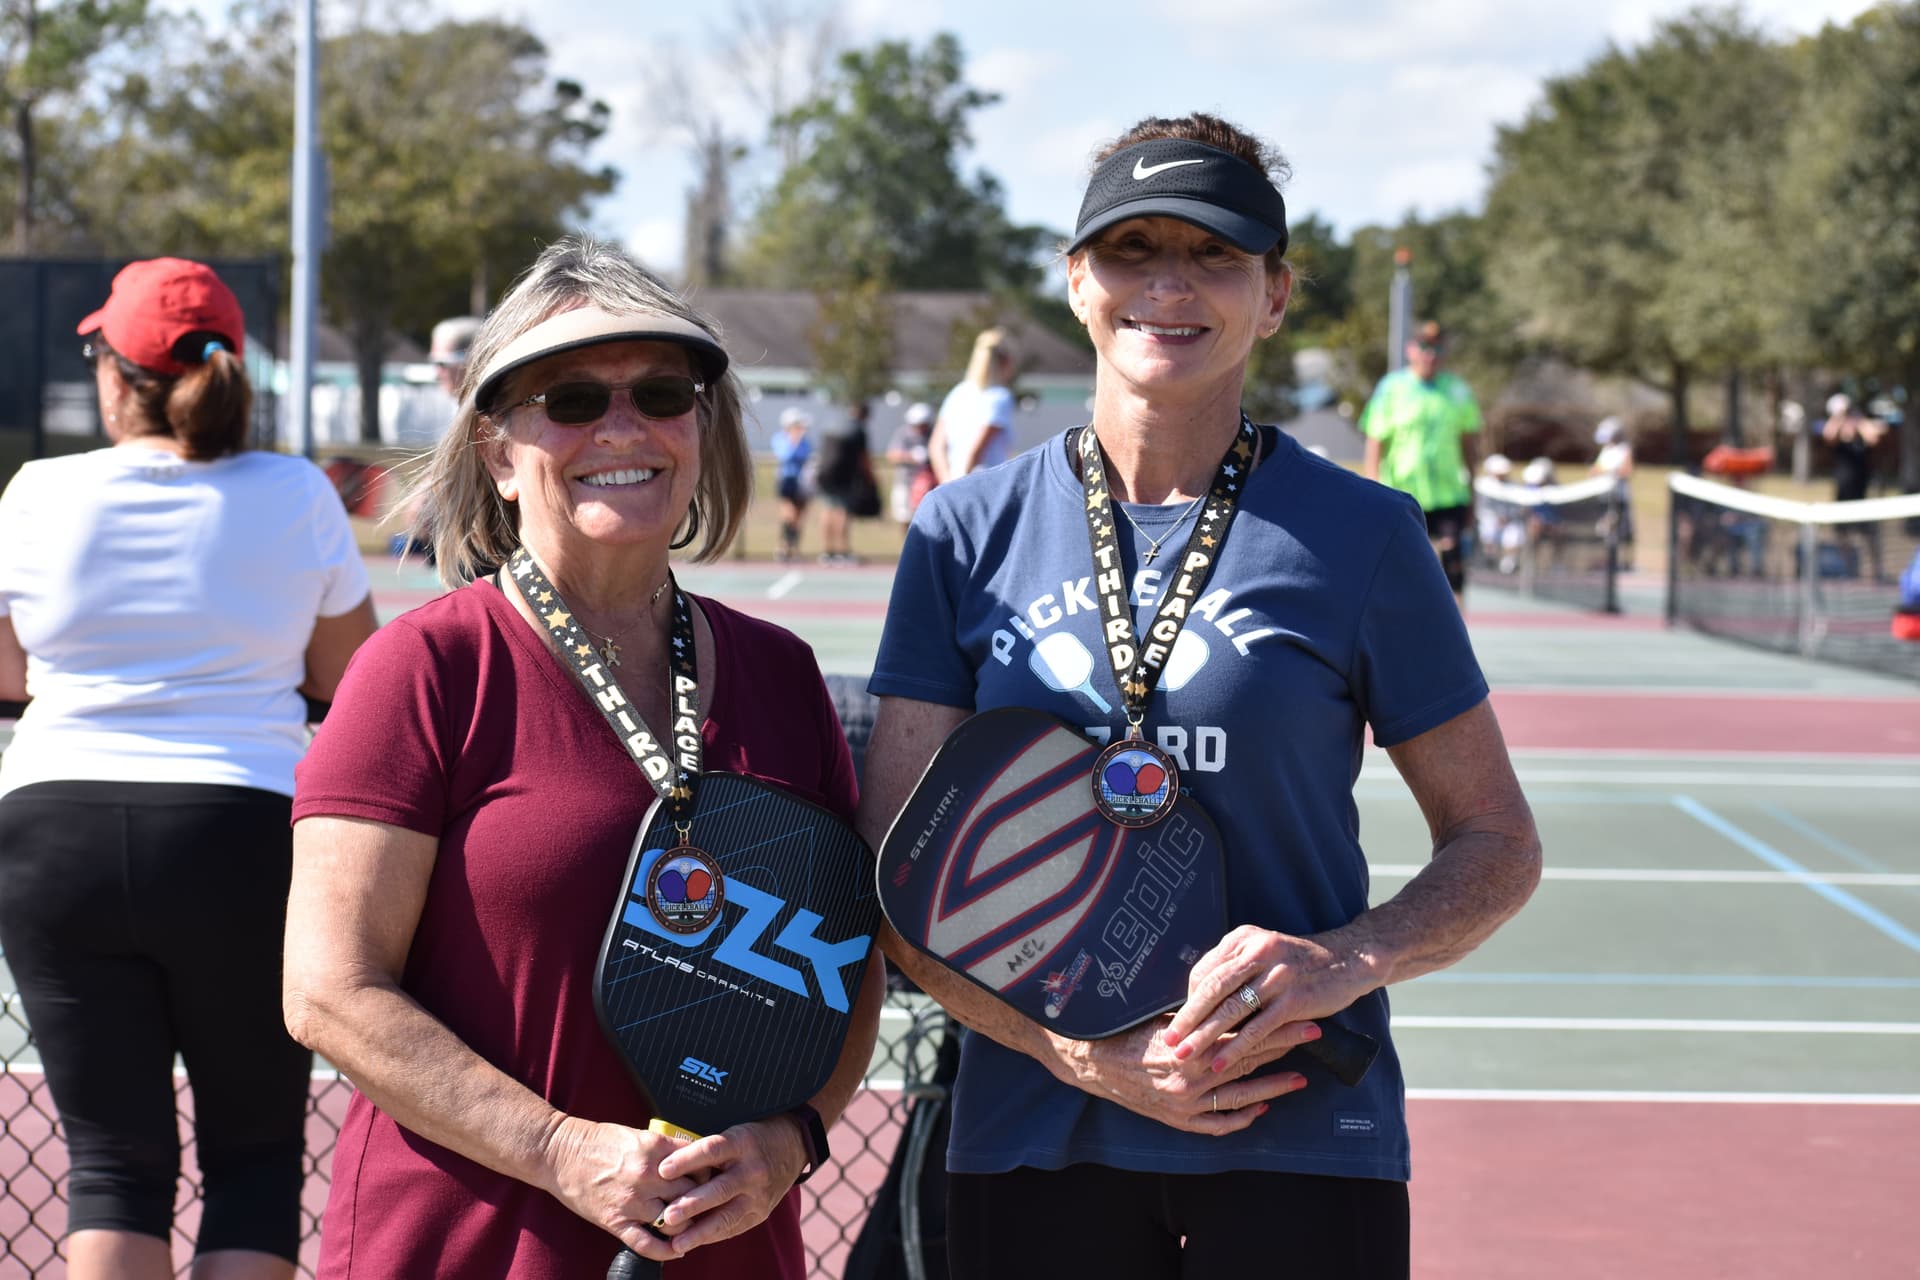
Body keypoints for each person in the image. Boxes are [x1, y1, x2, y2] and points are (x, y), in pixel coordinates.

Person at [855, 113, 1540, 1280]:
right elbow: (898, 873)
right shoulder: (964, 532)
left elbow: (1497, 841)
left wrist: (1350, 958)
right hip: (1037, 1134)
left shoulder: (1365, 534)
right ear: (1077, 283)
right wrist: (1078, 1054)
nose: (1170, 286)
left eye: (1215, 255)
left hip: (1305, 1139)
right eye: (1134, 251)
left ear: (1273, 296)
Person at [281, 236, 884, 1278]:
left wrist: (791, 1138)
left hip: (723, 1250)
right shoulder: (425, 668)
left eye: (660, 391)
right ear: (498, 451)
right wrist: (559, 1148)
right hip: (466, 1247)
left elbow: (847, 967)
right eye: (568, 400)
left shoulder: (782, 673)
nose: (622, 427)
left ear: (699, 427)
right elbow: (330, 989)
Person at [0, 257, 378, 1280]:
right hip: (240, 833)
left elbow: (6, 669)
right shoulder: (296, 492)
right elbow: (346, 675)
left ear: (117, 377)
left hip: (53, 831)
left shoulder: (37, 492)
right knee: (255, 1157)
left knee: (111, 1163)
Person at [1360, 319, 1483, 607]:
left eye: (1437, 348)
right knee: (1402, 562)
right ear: (1411, 350)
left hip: (1448, 493)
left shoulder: (1458, 391)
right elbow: (1375, 441)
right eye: (1425, 347)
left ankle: (1456, 632)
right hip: (1402, 492)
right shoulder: (1392, 388)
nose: (1431, 355)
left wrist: (1474, 494)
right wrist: (1371, 490)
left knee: (1452, 557)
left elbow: (1469, 446)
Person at [928, 329, 1016, 483]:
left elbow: (936, 446)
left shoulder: (958, 392)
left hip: (954, 479)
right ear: (1005, 360)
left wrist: (947, 483)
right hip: (983, 483)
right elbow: (977, 450)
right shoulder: (1000, 397)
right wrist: (962, 485)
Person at [814, 400, 879, 565]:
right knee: (842, 511)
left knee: (828, 510)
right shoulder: (858, 430)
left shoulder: (833, 425)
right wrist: (871, 479)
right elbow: (864, 459)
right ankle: (842, 551)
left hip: (824, 473)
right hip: (843, 475)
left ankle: (827, 552)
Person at [1589, 417, 1636, 569]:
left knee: (1622, 531)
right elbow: (1594, 471)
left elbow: (1626, 471)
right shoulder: (1605, 451)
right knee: (1604, 531)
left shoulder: (1624, 449)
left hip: (1618, 498)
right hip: (1603, 497)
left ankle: (1623, 563)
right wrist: (1604, 471)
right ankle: (1606, 562)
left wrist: (1608, 471)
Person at [771, 405, 814, 562]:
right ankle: (782, 547)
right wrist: (794, 441)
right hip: (787, 480)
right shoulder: (780, 438)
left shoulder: (805, 441)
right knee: (789, 515)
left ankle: (794, 549)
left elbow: (806, 456)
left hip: (802, 482)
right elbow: (786, 456)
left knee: (799, 518)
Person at [886, 401, 937, 528]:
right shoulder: (903, 433)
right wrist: (911, 457)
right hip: (905, 481)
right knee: (904, 516)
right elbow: (892, 455)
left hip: (929, 484)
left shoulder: (934, 434)